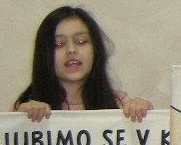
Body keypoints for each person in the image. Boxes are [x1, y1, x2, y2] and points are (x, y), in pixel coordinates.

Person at [14, 7, 151, 122]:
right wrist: (21, 120)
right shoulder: (27, 109)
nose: (71, 50)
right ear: (44, 54)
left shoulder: (120, 105)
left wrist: (145, 114)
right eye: (59, 44)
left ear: (96, 50)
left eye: (81, 42)